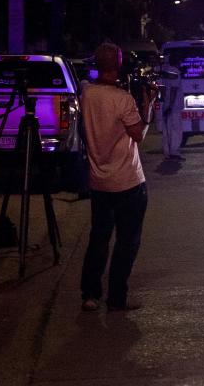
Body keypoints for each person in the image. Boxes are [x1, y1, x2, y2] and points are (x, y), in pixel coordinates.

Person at [79, 43, 156, 312]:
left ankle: (90, 294)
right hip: (128, 182)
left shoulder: (86, 93)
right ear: (120, 64)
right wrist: (149, 102)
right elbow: (138, 134)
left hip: (99, 181)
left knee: (99, 237)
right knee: (127, 242)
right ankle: (116, 298)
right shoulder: (122, 99)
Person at [158, 59, 184, 161]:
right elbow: (174, 89)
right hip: (174, 106)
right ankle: (174, 152)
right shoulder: (175, 72)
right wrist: (171, 105)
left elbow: (161, 89)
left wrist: (164, 104)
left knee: (167, 130)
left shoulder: (165, 71)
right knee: (176, 130)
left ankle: (168, 152)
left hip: (166, 104)